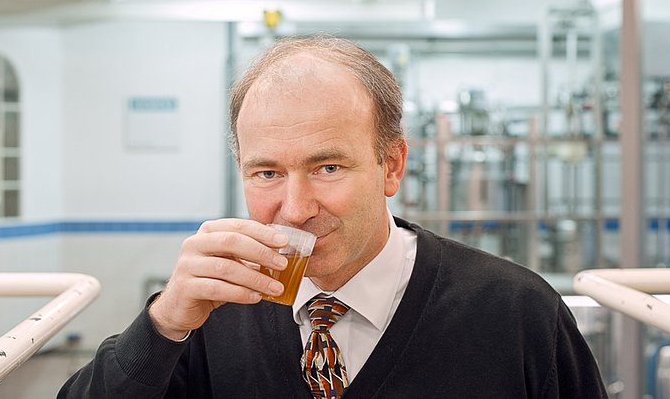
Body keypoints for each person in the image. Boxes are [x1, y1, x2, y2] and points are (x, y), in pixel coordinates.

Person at [58, 36, 608, 398]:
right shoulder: (212, 315)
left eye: (327, 167)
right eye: (266, 173)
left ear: (391, 166)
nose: (295, 209)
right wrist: (163, 325)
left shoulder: (514, 312)